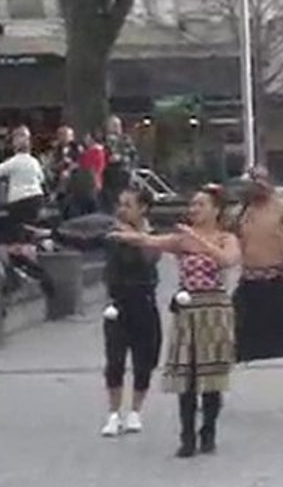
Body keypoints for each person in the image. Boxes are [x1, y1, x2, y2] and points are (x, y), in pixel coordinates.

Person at [111, 185, 241, 458]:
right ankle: (186, 436)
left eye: (201, 205)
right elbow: (152, 242)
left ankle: (208, 431)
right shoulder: (182, 240)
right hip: (187, 309)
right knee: (187, 376)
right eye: (193, 205)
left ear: (216, 210)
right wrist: (130, 236)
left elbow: (228, 261)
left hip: (214, 310)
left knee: (211, 376)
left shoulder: (226, 238)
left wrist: (198, 240)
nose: (194, 210)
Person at [43, 190, 161, 436]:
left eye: (128, 205)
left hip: (144, 301)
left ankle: (135, 412)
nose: (122, 209)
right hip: (117, 303)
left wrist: (132, 237)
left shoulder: (152, 236)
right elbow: (84, 238)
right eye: (120, 204)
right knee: (115, 360)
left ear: (143, 208)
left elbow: (149, 257)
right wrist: (53, 234)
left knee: (144, 361)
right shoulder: (111, 233)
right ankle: (113, 414)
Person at [232, 165, 283, 382]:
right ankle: (211, 389)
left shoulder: (280, 207)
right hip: (249, 281)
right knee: (225, 336)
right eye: (253, 179)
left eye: (262, 179)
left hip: (276, 280)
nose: (257, 184)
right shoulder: (241, 210)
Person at [0, 125, 46, 237]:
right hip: (37, 198)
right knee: (31, 226)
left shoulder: (13, 162)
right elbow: (41, 179)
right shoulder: (35, 162)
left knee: (17, 229)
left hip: (19, 200)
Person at [103, 115, 139, 213]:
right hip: (107, 175)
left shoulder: (125, 139)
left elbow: (133, 155)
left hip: (123, 173)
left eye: (117, 125)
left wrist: (121, 158)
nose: (115, 128)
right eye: (113, 125)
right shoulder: (103, 140)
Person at [79, 132, 107, 206]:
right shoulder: (93, 151)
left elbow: (90, 166)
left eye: (87, 138)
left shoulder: (95, 151)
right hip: (92, 179)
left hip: (91, 180)